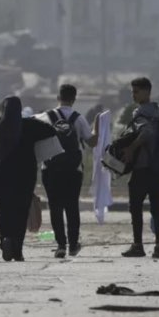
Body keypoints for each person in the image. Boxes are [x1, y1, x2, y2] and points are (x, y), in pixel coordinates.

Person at [0, 96, 58, 261]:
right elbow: (50, 130)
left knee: (4, 212)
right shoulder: (29, 125)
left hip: (0, 175)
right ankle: (17, 249)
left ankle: (5, 239)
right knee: (20, 212)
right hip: (24, 177)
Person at [37, 84, 99, 258]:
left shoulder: (44, 117)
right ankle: (73, 245)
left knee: (55, 207)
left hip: (50, 169)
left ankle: (60, 245)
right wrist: (97, 125)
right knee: (72, 207)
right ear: (74, 99)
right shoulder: (78, 119)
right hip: (73, 170)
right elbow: (92, 142)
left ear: (58, 97)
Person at [121, 77, 159, 259]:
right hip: (158, 168)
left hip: (143, 167)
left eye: (136, 92)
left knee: (135, 206)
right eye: (133, 92)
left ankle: (138, 246)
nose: (133, 95)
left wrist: (131, 148)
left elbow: (146, 132)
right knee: (157, 207)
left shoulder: (140, 112)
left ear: (147, 92)